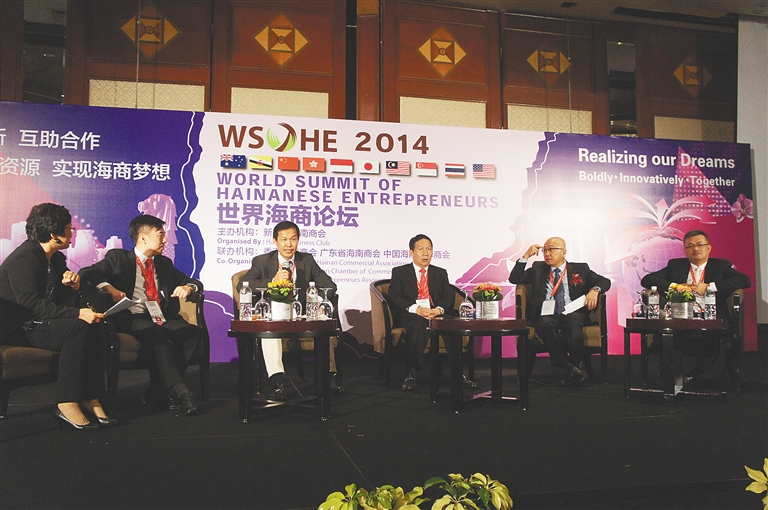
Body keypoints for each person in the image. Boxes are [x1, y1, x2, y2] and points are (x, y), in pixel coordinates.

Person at [0, 203, 114, 430]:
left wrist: (73, 286)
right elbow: (32, 304)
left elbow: (57, 299)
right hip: (19, 327)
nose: (72, 233)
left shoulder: (56, 259)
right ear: (54, 234)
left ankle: (90, 396)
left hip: (41, 322)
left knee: (94, 324)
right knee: (79, 326)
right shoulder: (25, 258)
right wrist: (78, 313)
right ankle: (66, 402)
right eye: (69, 228)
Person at [79, 214, 203, 415]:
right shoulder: (118, 258)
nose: (165, 240)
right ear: (143, 237)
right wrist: (109, 288)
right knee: (156, 334)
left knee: (192, 333)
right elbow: (87, 273)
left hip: (158, 316)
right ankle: (180, 391)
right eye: (160, 235)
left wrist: (188, 287)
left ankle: (158, 390)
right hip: (129, 316)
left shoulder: (163, 263)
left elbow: (194, 281)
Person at [238, 220, 339, 401]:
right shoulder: (262, 262)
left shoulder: (307, 260)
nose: (289, 244)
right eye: (284, 240)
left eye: (293, 239)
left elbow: (329, 285)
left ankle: (328, 378)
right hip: (274, 315)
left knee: (325, 326)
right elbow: (243, 286)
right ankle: (277, 383)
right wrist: (272, 281)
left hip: (301, 316)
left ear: (298, 240)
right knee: (269, 333)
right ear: (275, 241)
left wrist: (320, 301)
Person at [640, 229, 751, 383]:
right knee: (667, 331)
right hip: (682, 314)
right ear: (685, 250)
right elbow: (647, 279)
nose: (696, 249)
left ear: (708, 248)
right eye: (690, 246)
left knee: (713, 332)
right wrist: (676, 286)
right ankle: (670, 375)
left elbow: (744, 280)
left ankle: (699, 372)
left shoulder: (721, 266)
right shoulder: (676, 266)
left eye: (700, 244)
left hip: (711, 314)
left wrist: (709, 287)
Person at [508, 237, 610, 387]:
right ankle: (571, 368)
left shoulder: (580, 269)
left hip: (573, 312)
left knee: (573, 320)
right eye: (545, 250)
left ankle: (574, 366)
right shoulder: (538, 269)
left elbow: (604, 281)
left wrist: (595, 290)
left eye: (552, 249)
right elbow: (514, 279)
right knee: (544, 323)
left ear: (564, 252)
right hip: (547, 314)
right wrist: (525, 256)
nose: (547, 254)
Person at [388, 234, 474, 391]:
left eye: (429, 249)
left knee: (450, 324)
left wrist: (437, 310)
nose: (426, 253)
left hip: (436, 313)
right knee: (418, 324)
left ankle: (458, 373)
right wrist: (416, 309)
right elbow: (395, 296)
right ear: (411, 252)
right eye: (421, 249)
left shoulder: (440, 273)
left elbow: (448, 297)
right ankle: (411, 373)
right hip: (411, 314)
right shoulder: (400, 272)